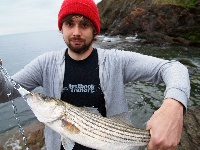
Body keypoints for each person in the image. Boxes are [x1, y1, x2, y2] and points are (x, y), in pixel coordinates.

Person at [0, 0, 190, 149]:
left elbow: (174, 68)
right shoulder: (44, 64)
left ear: (95, 29)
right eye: (69, 23)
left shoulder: (117, 60)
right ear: (61, 27)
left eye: (84, 24)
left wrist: (174, 105)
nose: (76, 32)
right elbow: (6, 91)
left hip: (119, 143)